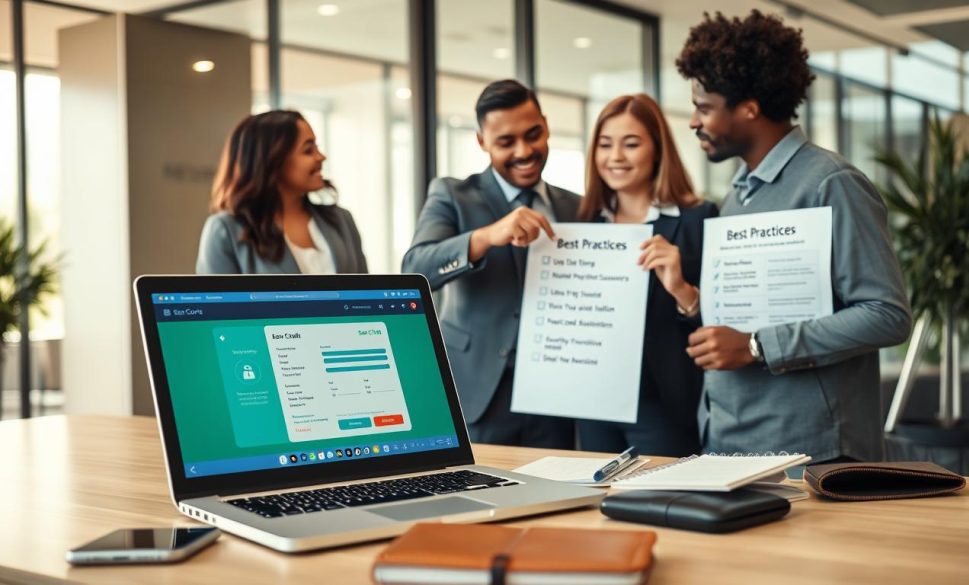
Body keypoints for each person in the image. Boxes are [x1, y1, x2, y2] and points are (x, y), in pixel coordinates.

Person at [676, 11, 911, 462]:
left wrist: (755, 346)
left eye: (704, 107)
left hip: (811, 454)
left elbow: (886, 314)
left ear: (749, 108)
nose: (692, 121)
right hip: (730, 440)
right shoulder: (739, 194)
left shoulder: (831, 183)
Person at [402, 80, 578, 448]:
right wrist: (484, 237)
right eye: (505, 142)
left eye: (534, 135)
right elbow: (415, 267)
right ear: (482, 141)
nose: (524, 151)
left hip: (558, 395)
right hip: (480, 391)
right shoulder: (452, 194)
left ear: (546, 125)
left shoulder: (575, 206)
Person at [576, 94, 716, 457]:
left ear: (657, 149)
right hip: (592, 402)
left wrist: (682, 289)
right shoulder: (584, 225)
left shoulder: (697, 219)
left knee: (663, 502)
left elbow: (721, 321)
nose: (616, 157)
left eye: (631, 144)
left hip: (663, 403)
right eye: (605, 145)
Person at [196, 110, 367, 274]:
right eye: (308, 150)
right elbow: (217, 303)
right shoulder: (225, 230)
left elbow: (365, 295)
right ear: (272, 160)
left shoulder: (342, 221)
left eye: (317, 147)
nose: (321, 157)